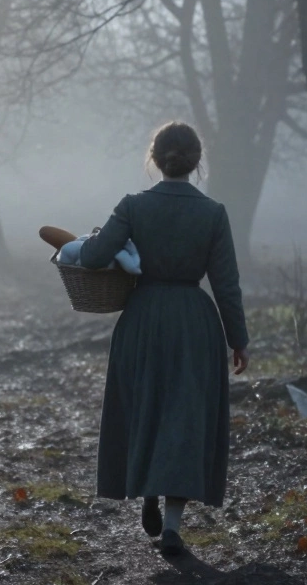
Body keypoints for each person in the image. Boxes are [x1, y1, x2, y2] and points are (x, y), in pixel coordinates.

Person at [78, 121, 250, 556]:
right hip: (195, 323)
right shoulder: (213, 213)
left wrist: (102, 235)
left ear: (154, 160)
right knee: (184, 418)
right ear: (196, 162)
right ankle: (172, 524)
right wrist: (238, 339)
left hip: (143, 318)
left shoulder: (133, 206)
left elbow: (96, 257)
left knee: (144, 406)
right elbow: (226, 285)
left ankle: (148, 493)